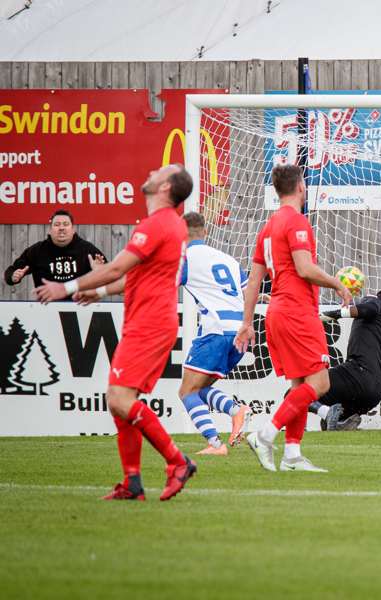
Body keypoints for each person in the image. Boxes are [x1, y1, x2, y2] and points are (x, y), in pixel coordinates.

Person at [34, 165, 197, 501]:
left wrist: (68, 288)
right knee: (120, 401)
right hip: (150, 320)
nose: (151, 172)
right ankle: (133, 483)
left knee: (119, 399)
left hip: (150, 323)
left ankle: (177, 461)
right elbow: (135, 274)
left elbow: (116, 267)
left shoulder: (157, 224)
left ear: (165, 187)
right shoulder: (169, 225)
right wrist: (101, 292)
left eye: (158, 172)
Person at [235, 164, 352, 473]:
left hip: (275, 313)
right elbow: (304, 268)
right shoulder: (296, 221)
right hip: (297, 313)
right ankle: (265, 435)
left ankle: (292, 457)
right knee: (321, 381)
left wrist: (247, 323)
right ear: (301, 187)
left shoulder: (268, 226)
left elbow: (253, 283)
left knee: (300, 382)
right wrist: (337, 283)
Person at [176, 211, 253, 455]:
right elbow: (247, 292)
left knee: (186, 391)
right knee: (199, 390)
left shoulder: (185, 258)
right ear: (205, 232)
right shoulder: (228, 259)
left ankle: (215, 444)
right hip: (240, 333)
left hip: (216, 331)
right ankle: (235, 410)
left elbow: (157, 286)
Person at [315, 288, 381, 431]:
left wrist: (333, 315)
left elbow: (369, 308)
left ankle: (323, 415)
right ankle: (339, 421)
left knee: (296, 392)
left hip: (357, 375)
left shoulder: (378, 304)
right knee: (330, 423)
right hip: (375, 394)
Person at [5, 209, 106, 292]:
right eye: (57, 225)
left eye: (66, 224)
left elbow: (111, 274)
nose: (61, 228)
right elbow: (10, 271)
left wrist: (99, 273)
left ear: (73, 229)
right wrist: (13, 276)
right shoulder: (37, 250)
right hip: (47, 307)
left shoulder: (87, 249)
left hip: (80, 307)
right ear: (50, 230)